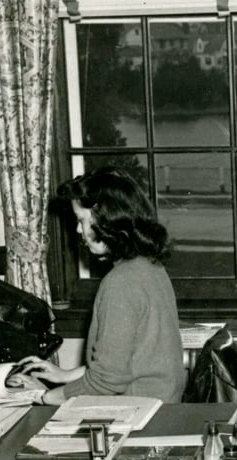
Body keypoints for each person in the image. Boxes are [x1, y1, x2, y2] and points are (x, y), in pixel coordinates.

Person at [18, 166, 184, 405]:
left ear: (108, 221)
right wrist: (64, 376)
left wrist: (42, 397)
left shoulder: (120, 283)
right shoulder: (150, 266)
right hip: (161, 406)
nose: (78, 230)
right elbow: (125, 365)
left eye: (82, 220)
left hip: (137, 415)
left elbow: (107, 382)